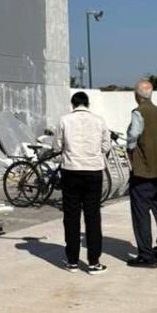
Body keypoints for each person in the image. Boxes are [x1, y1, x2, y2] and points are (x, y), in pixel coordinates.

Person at [54, 90, 111, 273]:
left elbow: (57, 145)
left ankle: (72, 261)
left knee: (71, 216)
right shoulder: (99, 121)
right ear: (88, 105)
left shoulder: (64, 120)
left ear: (73, 104)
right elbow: (106, 146)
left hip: (70, 170)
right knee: (92, 216)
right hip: (93, 171)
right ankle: (94, 262)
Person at [125, 78, 157, 268]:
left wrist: (130, 149)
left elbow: (133, 135)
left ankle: (146, 255)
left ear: (137, 95)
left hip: (144, 171)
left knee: (141, 212)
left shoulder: (139, 112)